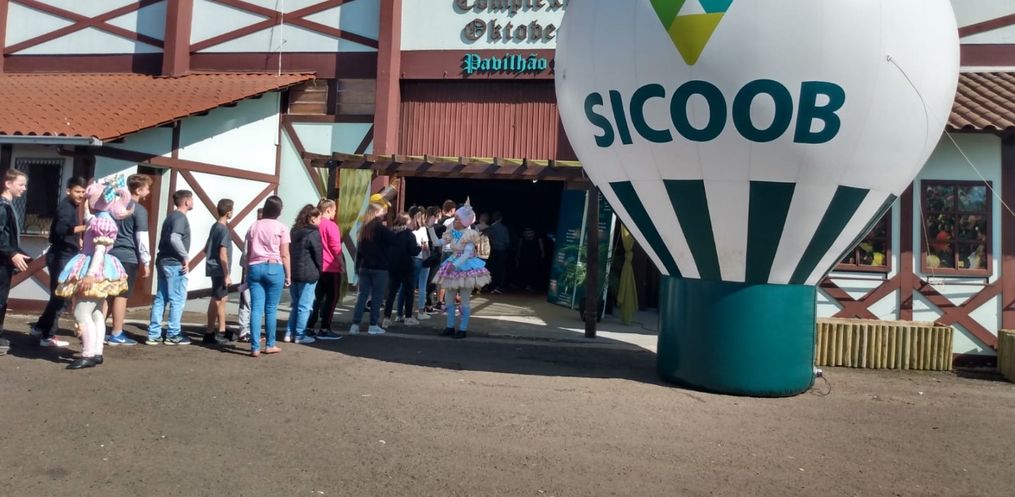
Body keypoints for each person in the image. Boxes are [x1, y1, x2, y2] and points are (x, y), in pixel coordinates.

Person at [54, 175, 132, 369]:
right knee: (96, 312)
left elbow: (99, 250)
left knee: (82, 312)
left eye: (90, 197)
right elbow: (89, 220)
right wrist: (88, 209)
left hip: (94, 267)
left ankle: (88, 354)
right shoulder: (102, 219)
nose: (87, 199)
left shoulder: (101, 222)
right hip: (101, 267)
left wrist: (90, 274)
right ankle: (96, 352)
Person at [32, 177, 87, 347]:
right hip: (60, 255)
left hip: (64, 254)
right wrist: (85, 228)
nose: (81, 195)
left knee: (58, 295)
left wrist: (78, 239)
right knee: (61, 296)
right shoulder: (65, 207)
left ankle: (40, 327)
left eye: (83, 192)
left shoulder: (73, 206)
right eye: (77, 191)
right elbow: (60, 230)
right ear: (68, 191)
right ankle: (48, 336)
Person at [106, 174, 152, 346]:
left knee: (108, 294)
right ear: (138, 190)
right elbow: (142, 237)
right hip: (128, 256)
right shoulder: (139, 210)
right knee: (122, 295)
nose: (148, 191)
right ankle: (117, 333)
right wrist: (146, 261)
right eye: (147, 188)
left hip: (111, 254)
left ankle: (98, 330)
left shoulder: (114, 206)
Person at [433, 205, 491, 339]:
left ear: (464, 221)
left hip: (466, 267)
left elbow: (466, 254)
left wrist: (454, 265)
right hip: (453, 263)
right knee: (448, 298)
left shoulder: (470, 234)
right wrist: (429, 228)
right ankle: (450, 326)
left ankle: (463, 329)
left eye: (457, 219)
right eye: (455, 218)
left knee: (464, 300)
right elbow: (437, 242)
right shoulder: (454, 232)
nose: (454, 221)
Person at [244, 196, 291, 357]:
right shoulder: (282, 228)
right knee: (271, 309)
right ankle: (270, 344)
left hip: (255, 266)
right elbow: (285, 254)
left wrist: (247, 271)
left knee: (256, 308)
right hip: (274, 267)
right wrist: (288, 275)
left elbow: (249, 252)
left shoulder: (254, 226)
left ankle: (255, 347)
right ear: (279, 210)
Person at [147, 190, 193, 346]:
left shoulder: (170, 217)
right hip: (174, 263)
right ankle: (173, 334)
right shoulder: (180, 218)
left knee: (161, 297)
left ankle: (154, 334)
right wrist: (185, 256)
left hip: (162, 260)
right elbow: (175, 237)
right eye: (191, 200)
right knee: (177, 299)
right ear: (186, 202)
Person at [349, 203, 395, 335]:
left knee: (362, 296)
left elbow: (359, 251)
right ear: (375, 213)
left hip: (364, 267)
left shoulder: (364, 229)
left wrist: (357, 268)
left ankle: (355, 325)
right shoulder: (381, 229)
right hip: (380, 267)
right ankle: (373, 325)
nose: (383, 215)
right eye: (381, 212)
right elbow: (394, 241)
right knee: (377, 297)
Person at [0, 169, 29, 357]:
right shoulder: (2, 207)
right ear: (8, 184)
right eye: (21, 184)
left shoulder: (9, 206)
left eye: (25, 185)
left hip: (5, 261)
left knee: (2, 300)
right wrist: (12, 253)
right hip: (1, 261)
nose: (24, 188)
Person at [306, 198, 344, 340]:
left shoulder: (313, 224)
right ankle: (325, 328)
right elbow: (335, 248)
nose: (335, 213)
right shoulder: (331, 226)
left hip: (315, 266)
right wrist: (341, 264)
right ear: (328, 210)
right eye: (334, 210)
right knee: (332, 298)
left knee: (316, 298)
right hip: (330, 267)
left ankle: (309, 326)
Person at [286, 204, 323, 345]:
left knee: (295, 304)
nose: (320, 221)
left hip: (293, 272)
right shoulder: (313, 233)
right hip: (308, 273)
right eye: (319, 218)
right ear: (312, 218)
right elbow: (318, 254)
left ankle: (289, 333)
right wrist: (320, 270)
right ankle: (300, 335)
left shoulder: (294, 231)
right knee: (305, 306)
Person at [383, 212, 421, 327]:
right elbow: (413, 251)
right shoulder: (409, 235)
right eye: (409, 221)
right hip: (406, 266)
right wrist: (420, 248)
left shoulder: (390, 233)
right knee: (409, 292)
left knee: (391, 292)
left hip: (392, 266)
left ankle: (386, 318)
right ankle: (408, 317)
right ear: (406, 222)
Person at [204, 198, 233, 345]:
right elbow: (223, 254)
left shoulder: (215, 227)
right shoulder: (223, 230)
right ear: (228, 212)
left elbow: (206, 248)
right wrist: (226, 274)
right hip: (219, 269)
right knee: (216, 299)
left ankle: (222, 329)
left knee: (223, 298)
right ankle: (209, 332)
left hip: (214, 267)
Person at [486, 211, 510, 293]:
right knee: (500, 269)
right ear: (501, 218)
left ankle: (490, 286)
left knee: (491, 268)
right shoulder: (504, 228)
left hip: (492, 250)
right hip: (501, 250)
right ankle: (498, 286)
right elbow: (507, 241)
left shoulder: (490, 228)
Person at [516, 226, 545, 291]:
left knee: (532, 270)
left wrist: (542, 252)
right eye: (527, 231)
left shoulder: (536, 237)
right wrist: (518, 255)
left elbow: (541, 245)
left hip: (533, 256)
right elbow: (519, 247)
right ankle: (527, 284)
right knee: (527, 270)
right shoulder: (523, 238)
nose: (528, 232)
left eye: (530, 231)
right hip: (526, 255)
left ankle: (529, 285)